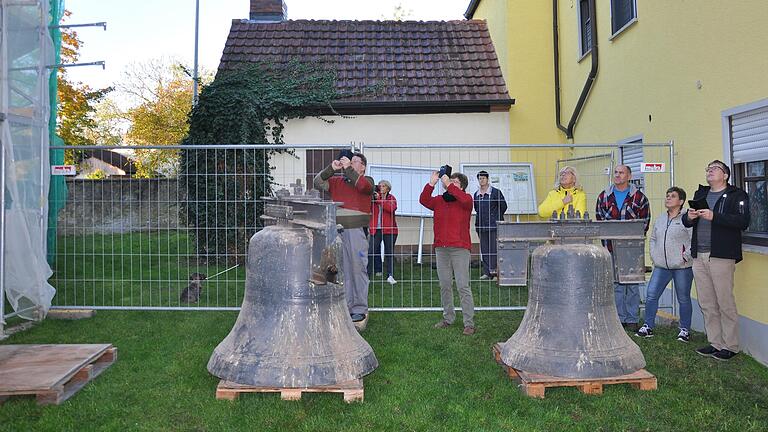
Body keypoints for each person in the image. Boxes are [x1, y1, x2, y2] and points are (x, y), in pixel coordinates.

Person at [682, 160, 750, 361]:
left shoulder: (737, 195)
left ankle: (731, 345)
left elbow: (743, 221)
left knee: (724, 302)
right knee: (707, 302)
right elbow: (686, 222)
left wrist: (715, 216)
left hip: (721, 255)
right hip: (699, 255)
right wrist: (690, 216)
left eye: (714, 169)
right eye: (707, 169)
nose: (709, 171)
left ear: (725, 175)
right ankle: (715, 343)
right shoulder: (701, 194)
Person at [314, 151, 373, 323]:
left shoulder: (367, 181)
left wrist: (347, 168)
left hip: (356, 231)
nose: (350, 163)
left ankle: (360, 308)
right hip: (338, 231)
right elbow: (318, 182)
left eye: (355, 161)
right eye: (350, 161)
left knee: (357, 268)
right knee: (342, 269)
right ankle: (345, 306)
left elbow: (363, 187)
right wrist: (331, 169)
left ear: (362, 167)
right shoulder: (337, 182)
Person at [420, 170, 476, 335]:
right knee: (445, 285)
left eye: (455, 182)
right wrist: (431, 183)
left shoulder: (466, 200)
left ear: (462, 186)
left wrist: (449, 184)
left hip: (460, 249)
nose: (450, 183)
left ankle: (469, 323)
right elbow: (423, 200)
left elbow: (463, 198)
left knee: (462, 286)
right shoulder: (439, 201)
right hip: (441, 249)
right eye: (450, 181)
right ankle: (448, 318)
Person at [595, 165, 650, 332]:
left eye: (621, 173)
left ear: (629, 176)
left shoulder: (639, 198)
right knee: (616, 284)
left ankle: (632, 319)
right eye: (616, 173)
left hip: (631, 249)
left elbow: (645, 222)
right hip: (610, 247)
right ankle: (618, 318)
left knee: (632, 283)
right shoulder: (604, 196)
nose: (617, 175)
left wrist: (630, 239)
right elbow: (599, 220)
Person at [636, 187, 693, 342]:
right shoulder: (661, 218)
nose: (668, 198)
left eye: (672, 196)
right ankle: (648, 326)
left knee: (683, 298)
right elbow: (653, 238)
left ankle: (684, 330)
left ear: (681, 201)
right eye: (667, 196)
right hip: (661, 266)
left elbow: (694, 240)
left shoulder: (687, 218)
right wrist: (655, 256)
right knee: (651, 295)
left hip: (682, 267)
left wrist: (685, 257)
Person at [473, 171, 508, 280]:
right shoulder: (476, 194)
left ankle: (495, 273)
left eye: (483, 178)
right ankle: (487, 272)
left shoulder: (496, 192)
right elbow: (476, 208)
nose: (481, 180)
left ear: (488, 179)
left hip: (493, 226)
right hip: (481, 226)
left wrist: (495, 217)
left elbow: (503, 206)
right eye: (479, 178)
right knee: (485, 249)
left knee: (494, 249)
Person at [368, 180, 398, 285]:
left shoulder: (391, 198)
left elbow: (391, 208)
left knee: (389, 253)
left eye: (383, 186)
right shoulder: (374, 198)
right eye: (379, 186)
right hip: (376, 229)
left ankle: (390, 275)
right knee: (371, 252)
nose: (381, 187)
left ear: (388, 188)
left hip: (390, 230)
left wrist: (379, 200)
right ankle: (367, 276)